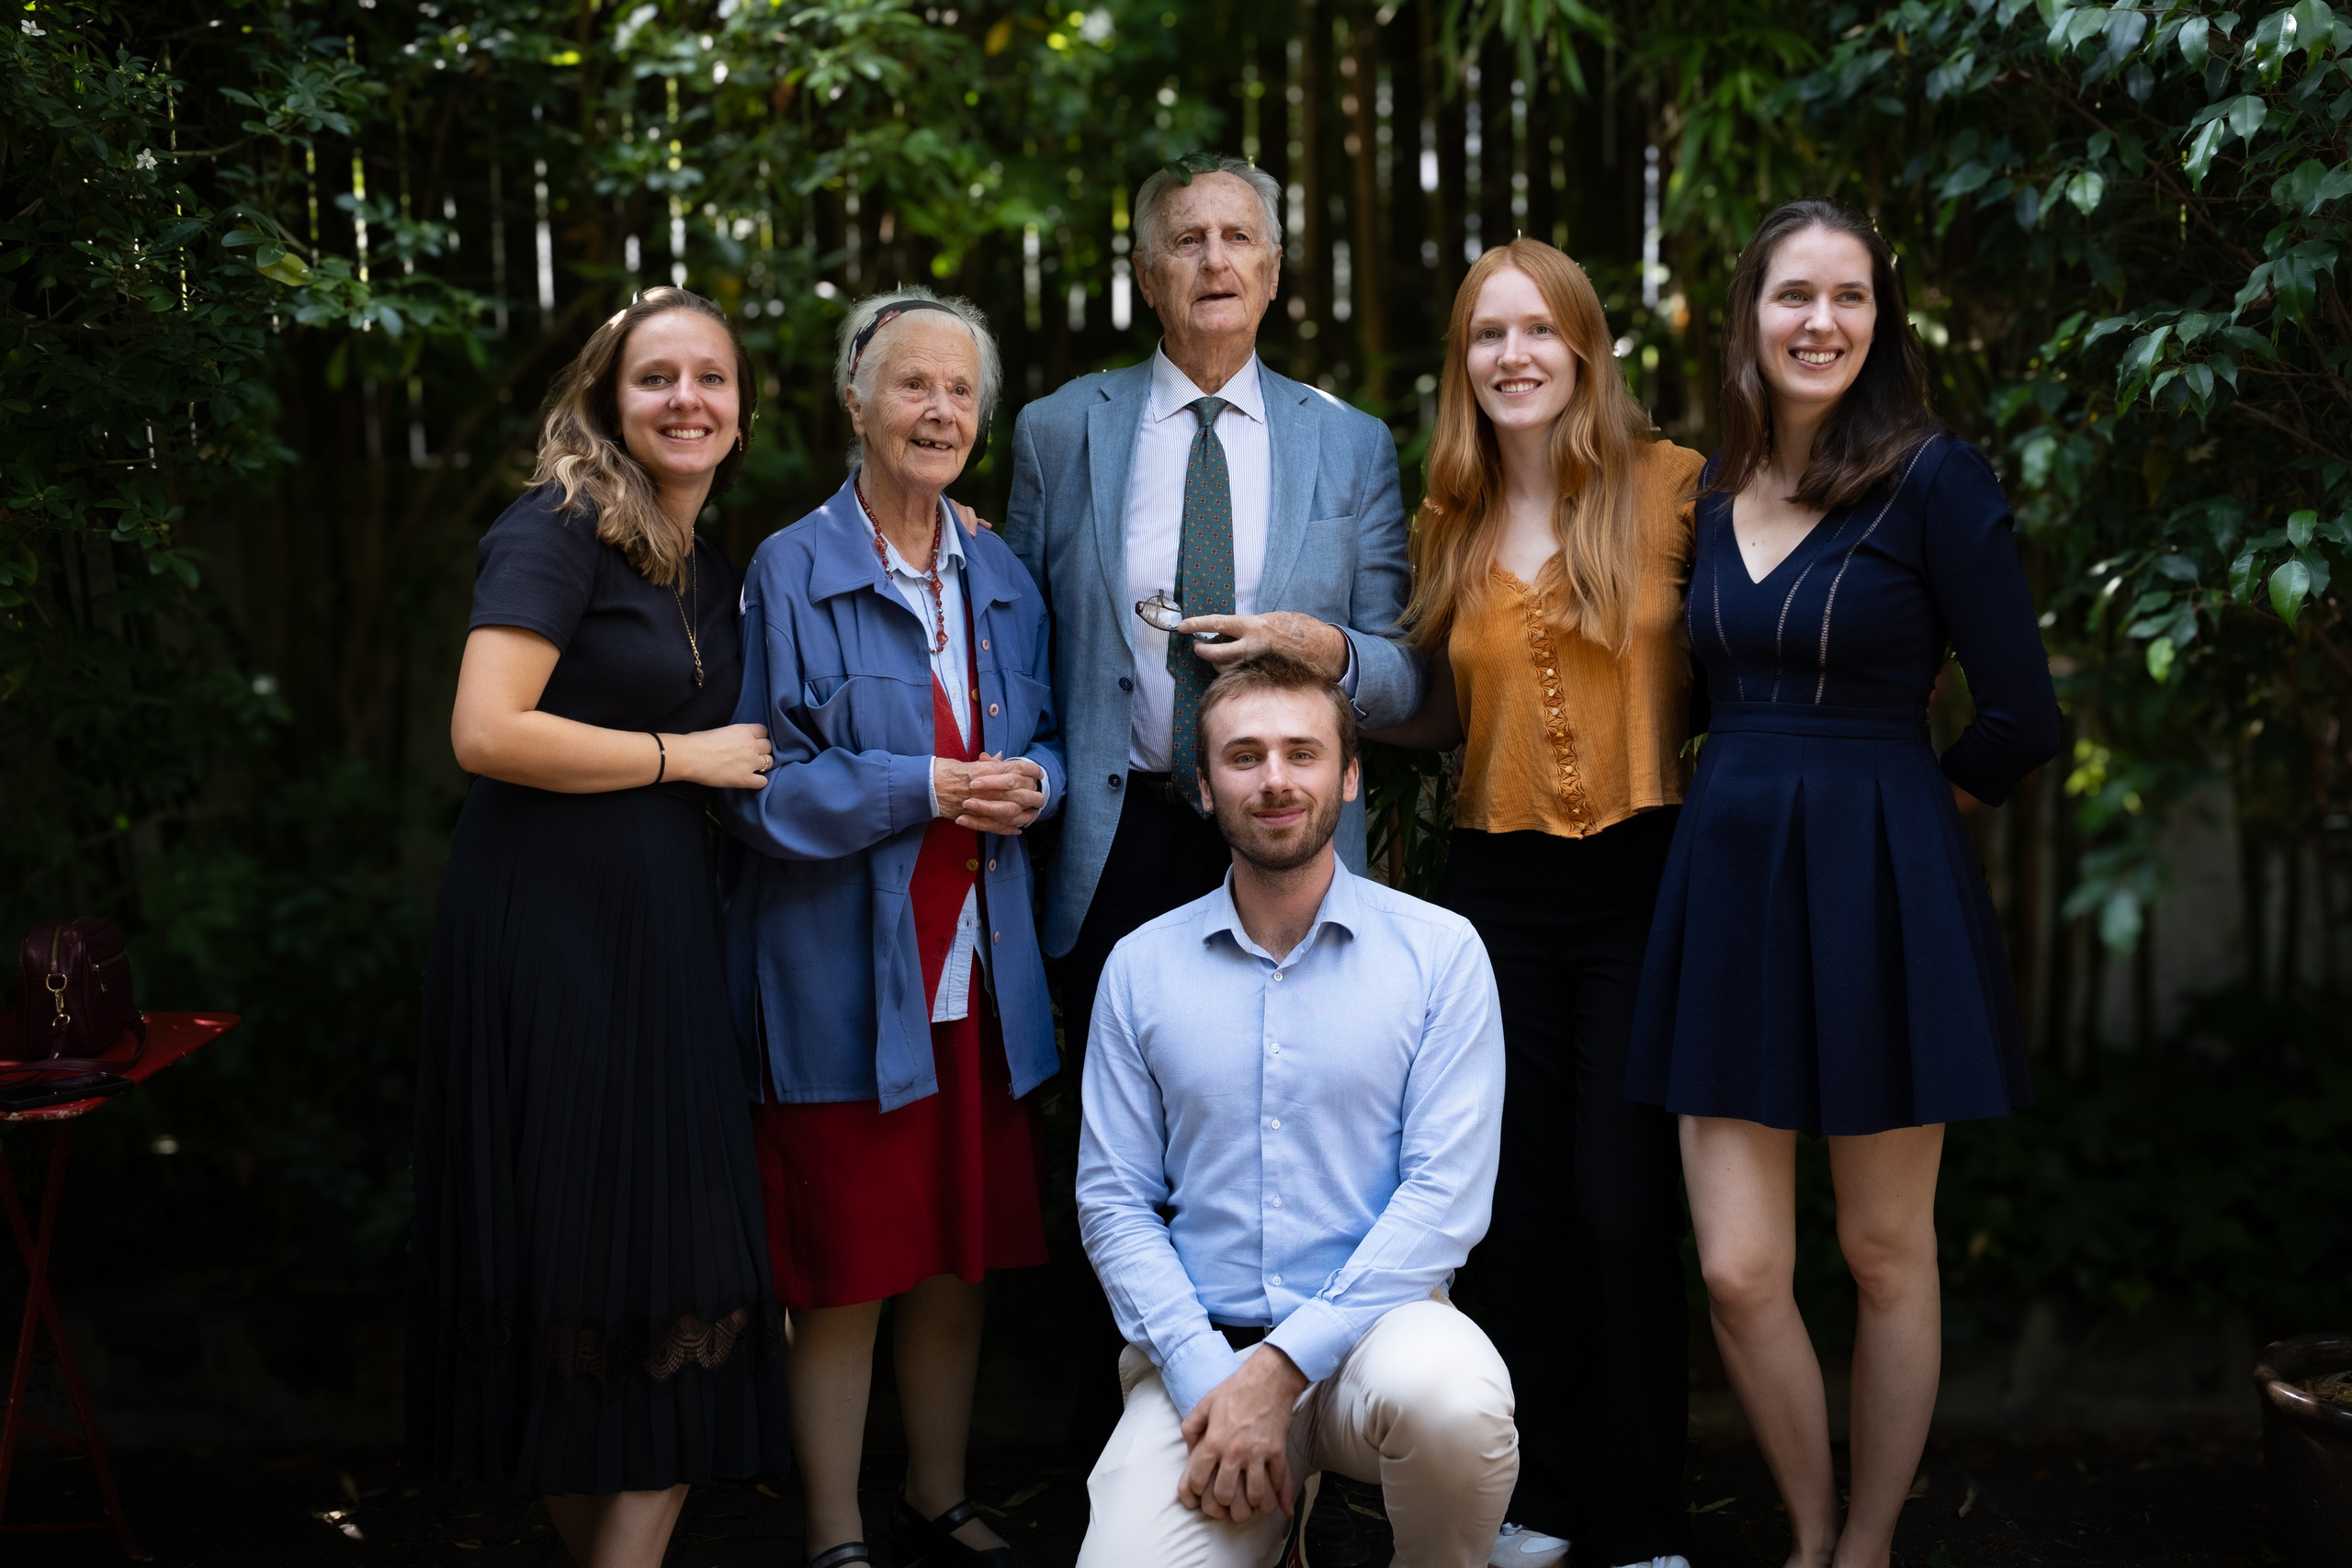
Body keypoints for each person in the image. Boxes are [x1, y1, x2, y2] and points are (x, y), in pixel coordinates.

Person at [1624, 198, 2062, 1568]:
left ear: (1881, 323)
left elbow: (2022, 713)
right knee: (1741, 1269)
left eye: (1851, 298)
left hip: (1883, 884)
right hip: (1730, 882)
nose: (1821, 321)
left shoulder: (1936, 478)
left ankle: (1865, 1544)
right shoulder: (1701, 493)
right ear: (1749, 314)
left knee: (1884, 1252)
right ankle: (1807, 1528)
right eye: (1793, 295)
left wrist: (1909, 819)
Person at [1001, 149, 1423, 1447]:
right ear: (1144, 270)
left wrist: (1323, 646)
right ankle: (1123, 1445)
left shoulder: (1347, 443)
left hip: (1289, 833)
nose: (1216, 261)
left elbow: (1406, 680)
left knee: (1294, 1135)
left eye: (1240, 236)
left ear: (1277, 269)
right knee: (1113, 1151)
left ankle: (1305, 1444)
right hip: (1114, 835)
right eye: (1186, 239)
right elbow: (1017, 643)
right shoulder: (1059, 428)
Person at [407, 286, 788, 1568]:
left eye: (711, 379)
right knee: (588, 1274)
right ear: (605, 402)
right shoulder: (557, 526)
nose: (686, 398)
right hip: (550, 943)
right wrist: (681, 753)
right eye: (655, 378)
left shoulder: (711, 570)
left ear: (740, 415)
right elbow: (487, 728)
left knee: (660, 1289)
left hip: (666, 950)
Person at [1370, 238, 1702, 1568]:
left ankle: (1645, 1511)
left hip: (1642, 875)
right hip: (1496, 889)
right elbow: (1448, 714)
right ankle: (1546, 1489)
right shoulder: (1442, 522)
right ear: (1465, 364)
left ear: (1583, 347)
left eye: (1537, 331)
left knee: (1626, 1201)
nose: (1513, 355)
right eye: (1486, 335)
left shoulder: (1674, 486)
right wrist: (1315, 670)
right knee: (1522, 1200)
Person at [720, 287, 1064, 1568]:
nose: (937, 408)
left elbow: (1044, 744)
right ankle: (831, 1532)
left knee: (953, 1260)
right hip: (842, 981)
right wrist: (917, 786)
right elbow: (758, 790)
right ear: (853, 399)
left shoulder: (1005, 573)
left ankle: (939, 1490)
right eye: (910, 383)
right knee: (849, 1270)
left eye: (960, 390)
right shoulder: (790, 569)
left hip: (980, 966)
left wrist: (1040, 782)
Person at [1075, 653, 1515, 1568]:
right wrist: (1218, 1385)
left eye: (1301, 753)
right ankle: (1274, 1527)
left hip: (1380, 1344)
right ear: (1203, 785)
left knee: (1455, 1402)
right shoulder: (1140, 968)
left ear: (1348, 777)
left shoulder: (1441, 956)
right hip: (1203, 1353)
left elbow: (1444, 1201)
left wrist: (1280, 1372)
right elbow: (1113, 1203)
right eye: (1244, 756)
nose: (1275, 779)